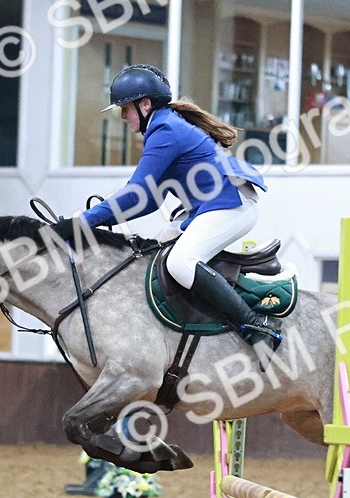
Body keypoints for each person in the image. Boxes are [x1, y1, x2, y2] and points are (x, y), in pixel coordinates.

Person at [80, 64, 280, 354]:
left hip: (230, 203)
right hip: (212, 204)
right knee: (161, 243)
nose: (122, 116)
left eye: (125, 108)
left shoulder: (165, 131)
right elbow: (147, 200)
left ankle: (256, 328)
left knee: (180, 262)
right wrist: (94, 220)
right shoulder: (163, 127)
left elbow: (134, 193)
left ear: (145, 104)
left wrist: (82, 222)